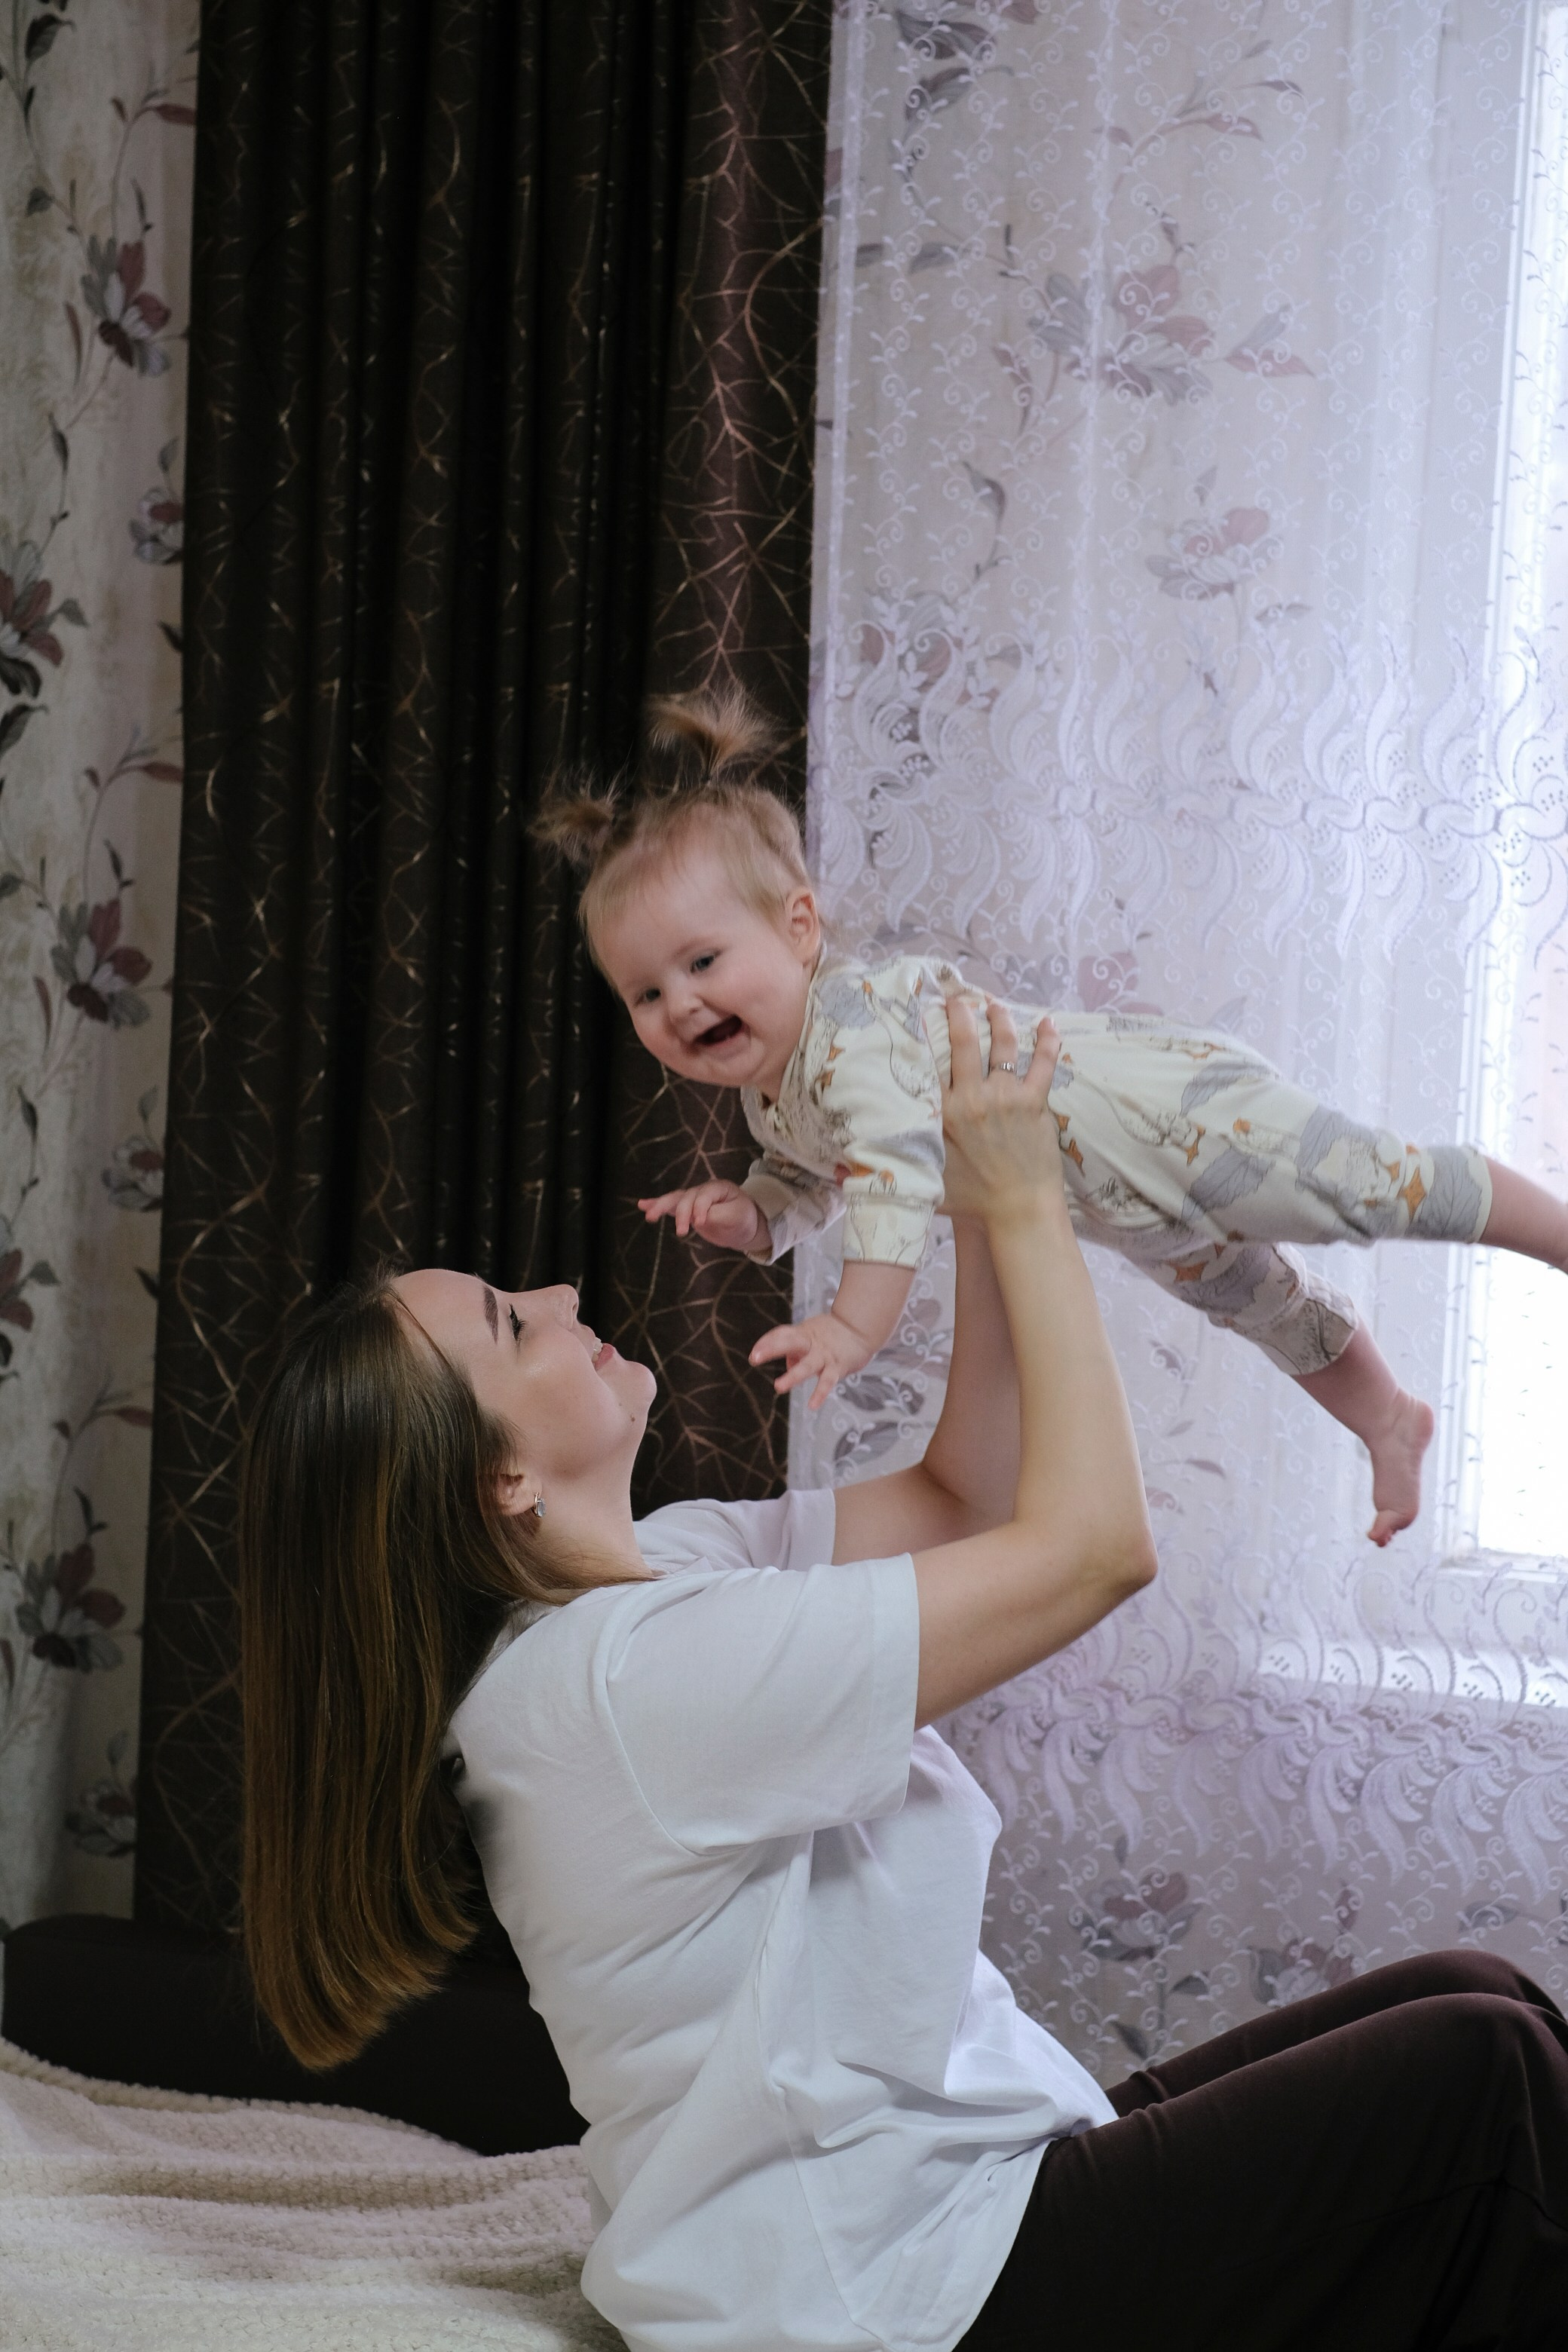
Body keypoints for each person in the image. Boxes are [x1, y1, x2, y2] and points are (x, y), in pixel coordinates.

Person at [240, 999, 1568, 2350]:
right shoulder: (620, 1685)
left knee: (1485, 1995)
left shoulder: (664, 1566)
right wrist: (1032, 1201)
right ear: (500, 1478)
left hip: (964, 2202)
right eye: (515, 1327)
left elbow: (963, 1497)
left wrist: (980, 1200)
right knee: (1489, 2077)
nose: (565, 1297)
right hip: (895, 2302)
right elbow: (1093, 1549)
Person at [534, 691, 1568, 1546]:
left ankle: (1549, 1230)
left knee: (1368, 1188)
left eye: (703, 962)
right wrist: (755, 1215)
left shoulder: (851, 1026)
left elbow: (891, 1172)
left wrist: (855, 1325)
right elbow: (823, 1185)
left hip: (1162, 1116)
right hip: (1106, 1204)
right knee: (1260, 1302)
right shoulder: (778, 1094)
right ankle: (1387, 1416)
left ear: (799, 928)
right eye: (646, 993)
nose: (679, 1006)